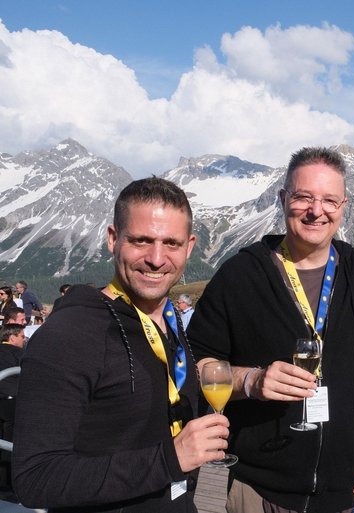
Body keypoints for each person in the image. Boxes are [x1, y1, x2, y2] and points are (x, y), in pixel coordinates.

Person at [188, 147, 354, 513]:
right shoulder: (240, 275)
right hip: (260, 491)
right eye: (304, 197)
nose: (316, 210)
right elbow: (196, 365)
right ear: (283, 198)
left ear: (343, 205)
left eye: (329, 200)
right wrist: (251, 381)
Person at [12, 177, 230, 512]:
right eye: (142, 241)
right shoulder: (69, 333)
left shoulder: (169, 318)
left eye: (171, 243)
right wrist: (169, 459)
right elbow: (36, 478)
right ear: (113, 239)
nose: (156, 259)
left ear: (189, 247)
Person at [0, 322, 25, 502]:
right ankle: (8, 487)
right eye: (22, 336)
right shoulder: (19, 354)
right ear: (12, 337)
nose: (24, 340)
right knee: (10, 446)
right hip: (12, 402)